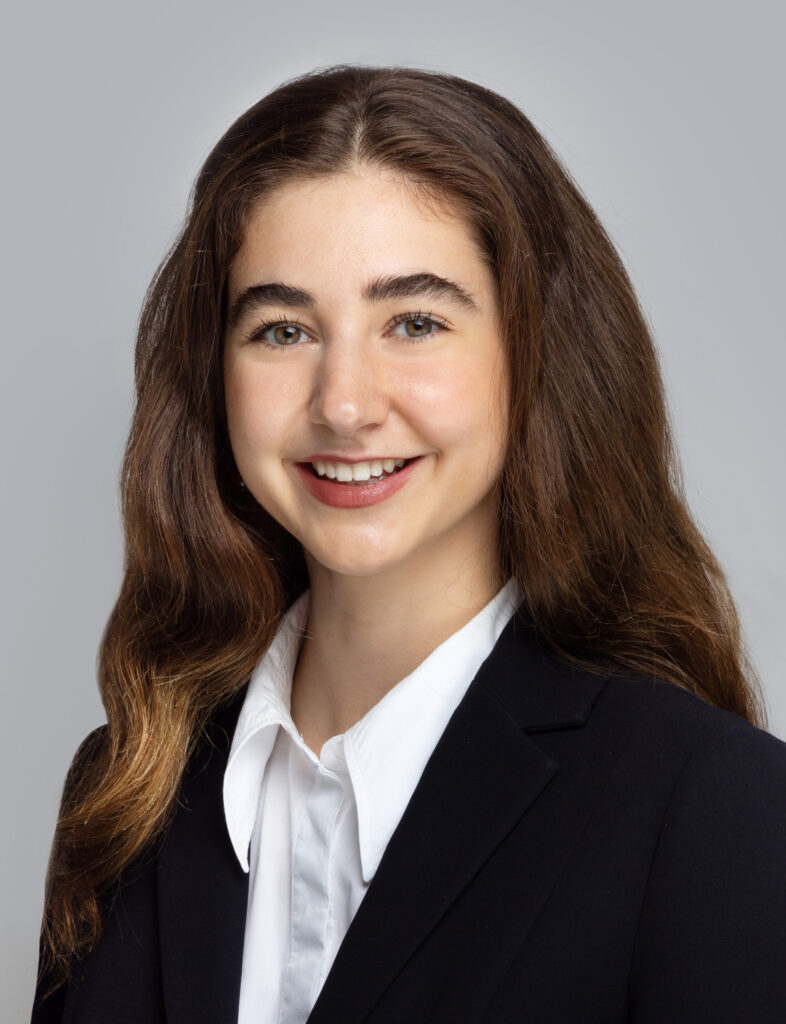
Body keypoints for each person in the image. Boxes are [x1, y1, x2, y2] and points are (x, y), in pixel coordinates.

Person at [32, 64, 786, 1024]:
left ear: (536, 355)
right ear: (213, 374)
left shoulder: (709, 808)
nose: (344, 402)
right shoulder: (129, 787)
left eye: (416, 322)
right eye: (282, 329)